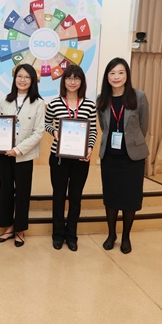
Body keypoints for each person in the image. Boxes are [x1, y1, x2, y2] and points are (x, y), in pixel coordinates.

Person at [96, 57, 149, 254]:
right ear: (107, 76)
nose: (116, 77)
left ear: (127, 75)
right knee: (111, 198)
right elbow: (104, 127)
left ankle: (126, 236)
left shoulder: (139, 96)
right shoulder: (102, 99)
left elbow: (144, 126)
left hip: (132, 158)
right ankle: (112, 234)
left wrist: (131, 142)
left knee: (130, 199)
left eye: (120, 72)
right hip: (110, 158)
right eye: (112, 73)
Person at [44, 65, 97, 252]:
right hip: (59, 157)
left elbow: (93, 130)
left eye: (77, 78)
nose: (72, 82)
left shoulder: (89, 104)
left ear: (82, 81)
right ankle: (58, 235)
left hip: (81, 159)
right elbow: (46, 123)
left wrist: (89, 148)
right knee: (58, 196)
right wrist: (54, 132)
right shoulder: (54, 103)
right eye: (69, 78)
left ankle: (71, 235)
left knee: (75, 198)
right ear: (63, 81)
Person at [0, 63, 44, 247]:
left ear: (33, 81)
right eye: (19, 76)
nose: (22, 80)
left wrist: (18, 149)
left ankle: (20, 230)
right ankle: (8, 227)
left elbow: (38, 132)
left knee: (22, 193)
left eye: (27, 77)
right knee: (5, 191)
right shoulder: (6, 100)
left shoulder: (38, 103)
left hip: (24, 156)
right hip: (4, 155)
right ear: (15, 79)